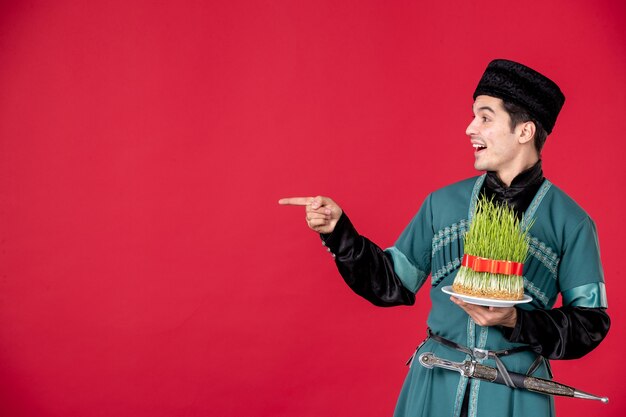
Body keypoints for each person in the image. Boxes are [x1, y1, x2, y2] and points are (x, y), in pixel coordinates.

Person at [279, 59, 610, 417]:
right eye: (473, 116)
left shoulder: (571, 221)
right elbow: (392, 284)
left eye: (485, 117)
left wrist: (516, 321)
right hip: (435, 381)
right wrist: (339, 232)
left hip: (517, 392)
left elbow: (590, 322)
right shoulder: (442, 204)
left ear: (525, 131)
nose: (470, 128)